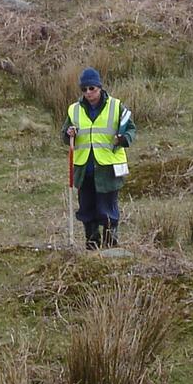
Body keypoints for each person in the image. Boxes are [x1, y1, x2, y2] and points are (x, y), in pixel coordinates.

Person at [62, 67, 134, 249]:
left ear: (100, 87)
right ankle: (92, 241)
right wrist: (69, 133)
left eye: (92, 88)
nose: (88, 93)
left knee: (107, 207)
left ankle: (110, 242)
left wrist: (123, 139)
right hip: (83, 168)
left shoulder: (116, 106)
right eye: (84, 89)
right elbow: (64, 134)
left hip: (108, 168)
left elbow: (131, 130)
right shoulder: (74, 110)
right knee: (87, 207)